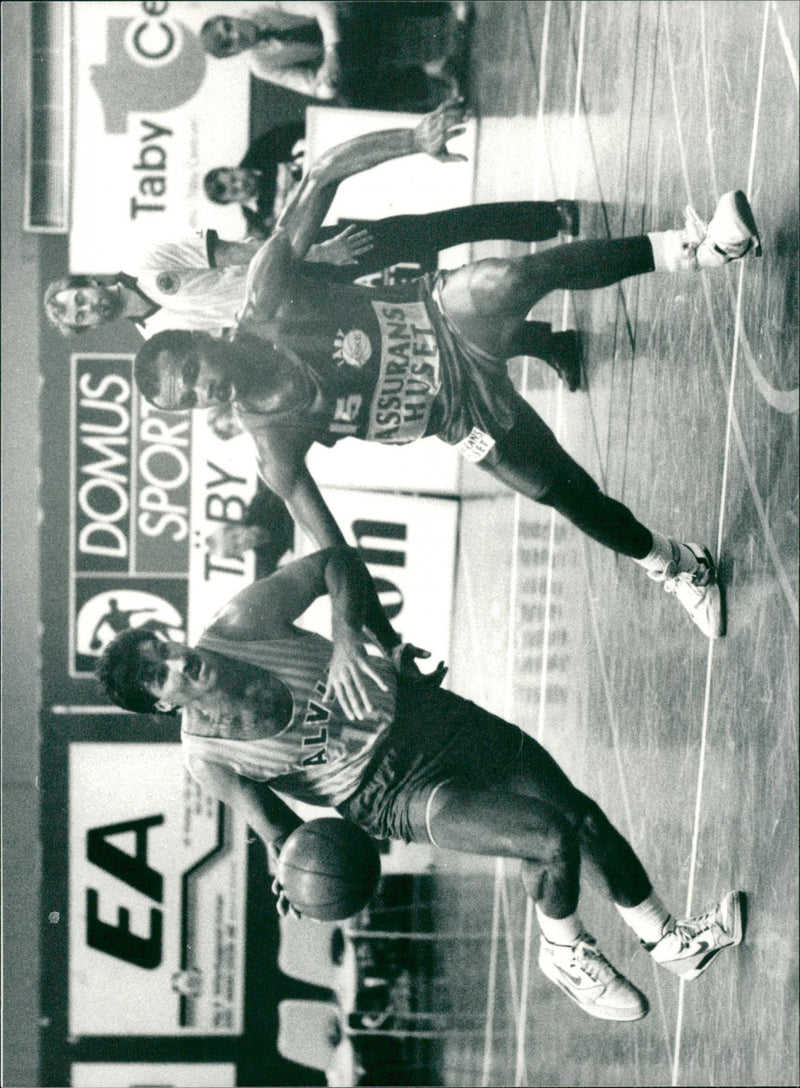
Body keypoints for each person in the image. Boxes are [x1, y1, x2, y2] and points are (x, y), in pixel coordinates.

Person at [133, 102, 762, 639]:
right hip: (456, 414)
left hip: (440, 315)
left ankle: (701, 249)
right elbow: (334, 553)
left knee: (509, 277)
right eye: (188, 396)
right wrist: (379, 639)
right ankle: (676, 566)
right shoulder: (273, 446)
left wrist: (413, 140)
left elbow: (323, 174)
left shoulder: (265, 293)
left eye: (190, 369)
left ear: (201, 339)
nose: (201, 386)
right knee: (558, 491)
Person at [96, 546, 745, 1022]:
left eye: (164, 645)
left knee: (581, 819)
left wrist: (353, 636)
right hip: (393, 794)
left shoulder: (241, 624)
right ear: (162, 706)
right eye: (160, 675)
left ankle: (671, 942)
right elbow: (281, 832)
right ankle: (565, 951)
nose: (177, 660)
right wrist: (293, 869)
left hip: (427, 715)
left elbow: (335, 561)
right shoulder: (208, 757)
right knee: (546, 839)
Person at [43, 105, 582, 382]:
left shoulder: (149, 261)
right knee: (429, 336)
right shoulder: (156, 339)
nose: (89, 304)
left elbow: (238, 253)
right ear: (89, 326)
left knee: (428, 231)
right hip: (304, 316)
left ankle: (544, 217)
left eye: (80, 295)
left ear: (89, 282)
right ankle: (547, 344)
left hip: (306, 256)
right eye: (81, 314)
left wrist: (318, 252)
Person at [200, 2, 467, 110]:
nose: (235, 36)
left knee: (351, 6)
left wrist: (331, 50)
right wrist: (326, 81)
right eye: (229, 44)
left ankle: (445, 6)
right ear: (233, 54)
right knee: (348, 94)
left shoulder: (261, 5)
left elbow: (320, 6)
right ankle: (432, 72)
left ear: (230, 18)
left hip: (338, 15)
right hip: (339, 52)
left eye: (228, 28)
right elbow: (309, 85)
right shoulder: (259, 65)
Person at [206, 482, 295, 579]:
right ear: (239, 554)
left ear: (235, 526)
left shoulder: (261, 504)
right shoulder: (266, 562)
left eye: (235, 536)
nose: (242, 541)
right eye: (236, 547)